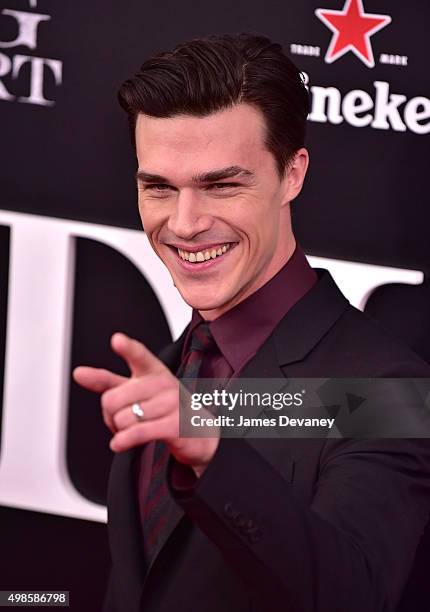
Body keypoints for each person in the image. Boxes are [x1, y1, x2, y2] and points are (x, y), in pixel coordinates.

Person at [73, 33, 430, 612]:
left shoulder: (387, 391)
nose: (185, 224)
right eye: (159, 188)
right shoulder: (170, 367)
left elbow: (352, 594)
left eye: (221, 185)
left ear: (292, 174)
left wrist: (214, 454)